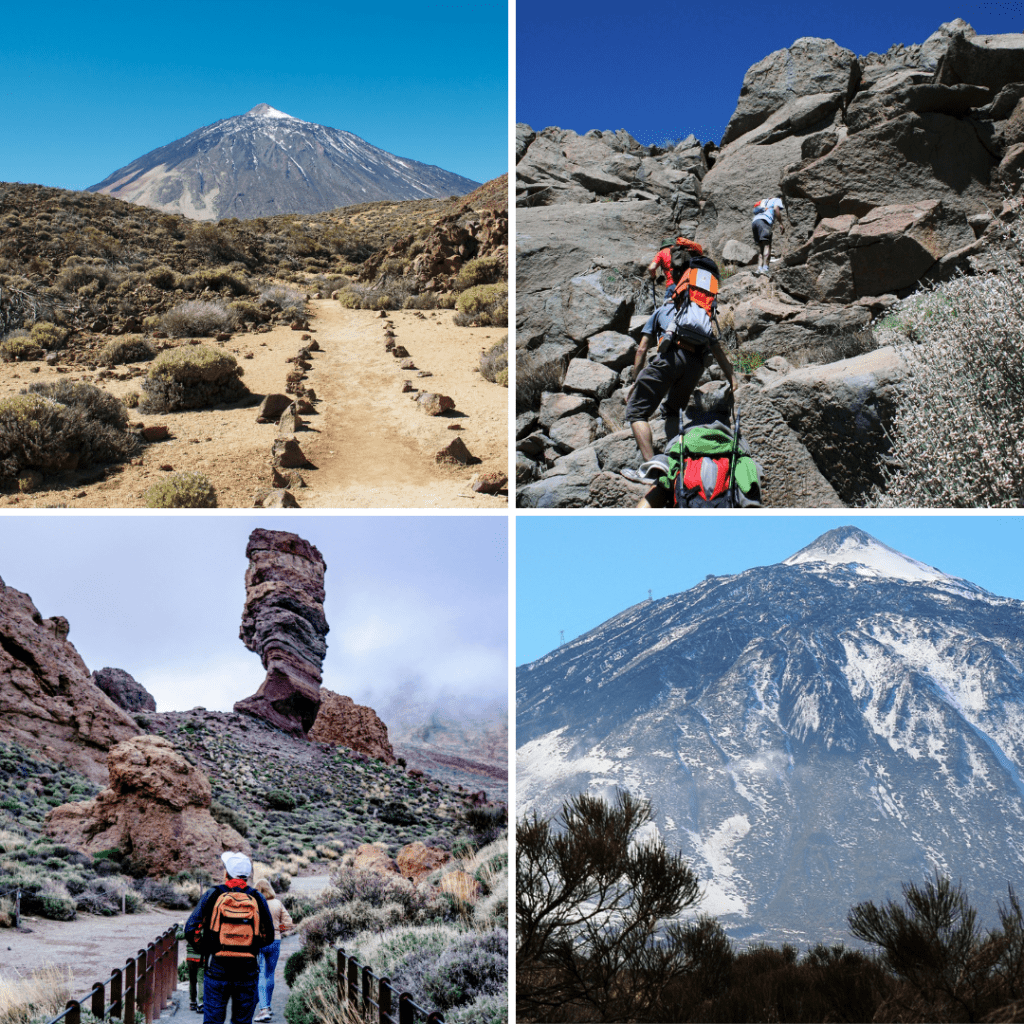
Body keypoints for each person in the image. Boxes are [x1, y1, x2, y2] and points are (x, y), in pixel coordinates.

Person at [623, 276, 738, 476]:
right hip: (695, 366)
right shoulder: (698, 317)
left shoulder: (661, 311)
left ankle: (653, 470)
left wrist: (636, 380)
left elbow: (641, 350)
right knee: (673, 411)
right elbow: (717, 350)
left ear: (672, 297)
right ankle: (676, 461)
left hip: (670, 358)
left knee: (637, 412)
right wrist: (732, 378)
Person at [185, 852, 274, 1024]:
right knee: (242, 1021)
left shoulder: (213, 894)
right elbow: (269, 936)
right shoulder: (257, 897)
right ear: (247, 876)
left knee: (213, 1021)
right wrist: (250, 945)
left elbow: (190, 928)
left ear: (226, 874)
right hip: (247, 971)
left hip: (217, 968)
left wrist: (206, 948)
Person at [253, 879, 293, 1023]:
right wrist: (277, 930)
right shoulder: (277, 903)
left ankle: (264, 1009)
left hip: (259, 942)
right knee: (270, 974)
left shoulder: (255, 904)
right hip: (275, 941)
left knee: (261, 975)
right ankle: (268, 1007)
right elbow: (289, 924)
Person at [751, 197, 786, 275]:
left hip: (755, 222)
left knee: (761, 247)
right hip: (764, 221)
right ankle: (765, 269)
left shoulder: (764, 201)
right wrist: (780, 223)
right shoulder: (777, 200)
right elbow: (776, 209)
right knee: (767, 245)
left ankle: (759, 269)